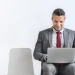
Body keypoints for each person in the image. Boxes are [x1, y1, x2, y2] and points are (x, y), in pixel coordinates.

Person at [33, 8, 75, 75]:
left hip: (67, 65)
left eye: (61, 22)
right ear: (52, 19)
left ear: (65, 19)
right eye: (56, 21)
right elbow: (36, 53)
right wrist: (46, 57)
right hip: (50, 65)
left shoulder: (72, 34)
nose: (58, 24)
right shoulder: (43, 34)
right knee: (47, 67)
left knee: (73, 67)